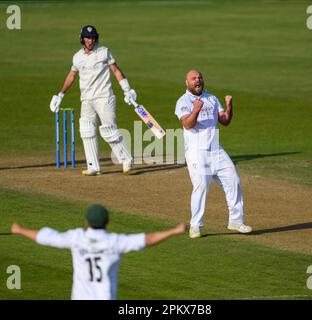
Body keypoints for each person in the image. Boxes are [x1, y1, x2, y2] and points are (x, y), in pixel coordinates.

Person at [11, 204, 186, 300]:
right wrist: (174, 230)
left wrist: (20, 230)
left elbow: (46, 236)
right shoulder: (115, 242)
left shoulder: (76, 237)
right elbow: (148, 240)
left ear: (86, 222)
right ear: (107, 222)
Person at [175, 70, 252, 239]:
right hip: (196, 152)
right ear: (186, 82)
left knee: (234, 181)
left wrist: (229, 107)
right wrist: (195, 110)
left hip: (216, 149)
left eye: (199, 77)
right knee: (201, 187)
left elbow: (224, 121)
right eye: (193, 78)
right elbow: (187, 124)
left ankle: (236, 221)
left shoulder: (212, 98)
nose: (198, 80)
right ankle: (195, 226)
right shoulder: (183, 101)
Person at [50, 25, 136, 175]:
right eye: (87, 38)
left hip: (104, 97)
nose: (90, 40)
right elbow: (71, 75)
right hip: (87, 100)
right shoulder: (77, 57)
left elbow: (116, 70)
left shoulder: (104, 52)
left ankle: (126, 159)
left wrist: (127, 89)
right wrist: (60, 95)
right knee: (86, 130)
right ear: (82, 39)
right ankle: (93, 166)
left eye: (92, 38)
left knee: (108, 131)